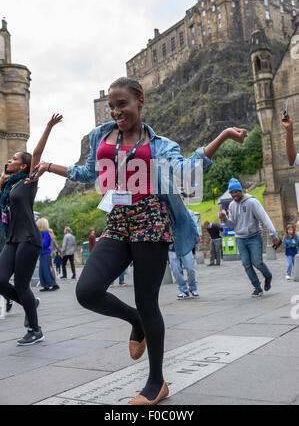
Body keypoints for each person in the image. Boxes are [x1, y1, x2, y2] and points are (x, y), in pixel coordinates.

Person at [28, 77, 248, 405]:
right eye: (112, 106)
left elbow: (187, 174)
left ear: (140, 100)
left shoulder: (161, 145)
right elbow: (88, 174)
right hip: (117, 223)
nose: (117, 111)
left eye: (123, 104)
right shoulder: (101, 136)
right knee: (87, 291)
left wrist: (224, 136)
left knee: (149, 303)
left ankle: (156, 382)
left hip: (152, 223)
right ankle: (135, 321)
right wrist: (49, 166)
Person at [0, 114, 62, 345]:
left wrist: (48, 126)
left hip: (28, 238)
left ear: (24, 166)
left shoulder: (28, 180)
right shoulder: (7, 185)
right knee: (0, 280)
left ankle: (35, 329)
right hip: (12, 239)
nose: (10, 159)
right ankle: (30, 303)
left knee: (22, 284)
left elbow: (36, 154)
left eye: (15, 158)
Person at [220, 178, 281, 298]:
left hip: (254, 237)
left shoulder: (252, 202)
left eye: (236, 192)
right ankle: (257, 287)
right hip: (240, 238)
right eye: (232, 193)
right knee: (246, 264)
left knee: (257, 262)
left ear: (241, 190)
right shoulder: (231, 205)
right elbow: (233, 223)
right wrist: (225, 219)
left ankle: (268, 276)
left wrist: (273, 235)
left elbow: (265, 218)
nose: (234, 195)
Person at [169, 194, 199, 299]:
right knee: (176, 271)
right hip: (172, 247)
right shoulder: (167, 213)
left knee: (190, 269)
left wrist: (195, 239)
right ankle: (183, 290)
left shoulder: (189, 213)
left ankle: (193, 288)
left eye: (181, 199)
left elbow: (194, 227)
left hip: (186, 246)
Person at [37, 218, 59, 291]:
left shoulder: (45, 233)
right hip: (43, 253)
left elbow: (44, 243)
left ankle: (53, 284)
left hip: (45, 253)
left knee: (45, 270)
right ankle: (46, 285)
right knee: (42, 271)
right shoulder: (43, 233)